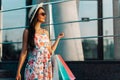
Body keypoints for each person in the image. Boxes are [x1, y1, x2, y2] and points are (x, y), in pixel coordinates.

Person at [16, 3, 64, 80]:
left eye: (45, 14)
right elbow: (24, 52)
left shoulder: (45, 32)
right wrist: (18, 71)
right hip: (34, 68)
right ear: (35, 15)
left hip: (46, 68)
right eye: (42, 14)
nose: (45, 15)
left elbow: (50, 51)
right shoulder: (27, 32)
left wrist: (58, 38)